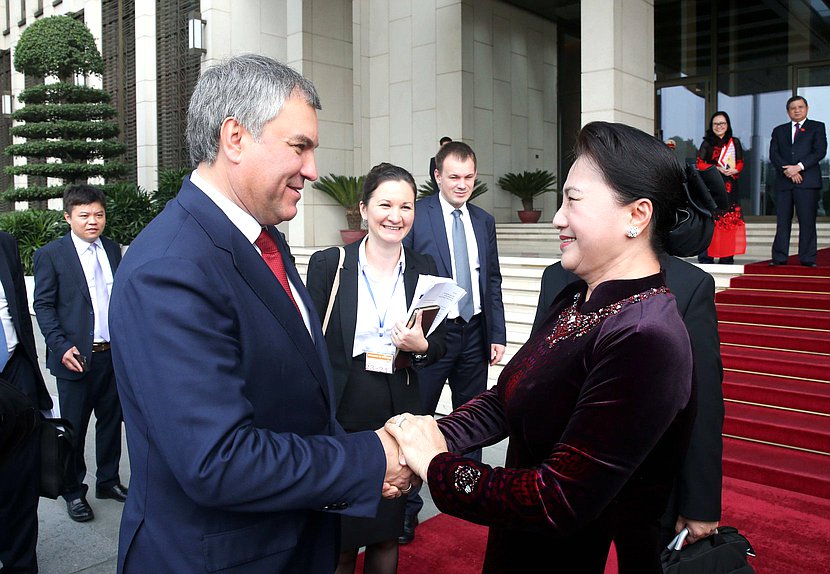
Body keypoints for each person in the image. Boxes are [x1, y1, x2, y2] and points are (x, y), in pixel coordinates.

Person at [108, 54, 412, 574]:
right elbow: (217, 460)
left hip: (292, 540)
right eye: (300, 147)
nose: (312, 171)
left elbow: (294, 402)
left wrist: (353, 462)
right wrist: (366, 459)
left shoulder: (262, 239)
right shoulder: (171, 267)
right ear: (235, 138)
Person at [386, 122, 696, 573]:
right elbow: (506, 398)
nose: (557, 217)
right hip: (518, 548)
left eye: (573, 200)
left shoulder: (646, 337)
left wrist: (436, 466)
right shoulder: (575, 298)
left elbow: (557, 498)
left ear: (637, 216)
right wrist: (434, 435)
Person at [307, 162, 447, 574]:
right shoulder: (330, 263)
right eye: (385, 204)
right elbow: (309, 338)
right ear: (365, 208)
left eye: (406, 206)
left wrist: (421, 346)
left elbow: (442, 342)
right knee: (342, 536)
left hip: (398, 409)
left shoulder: (425, 268)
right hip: (343, 408)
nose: (396, 215)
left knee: (387, 531)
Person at [532, 257, 723, 546]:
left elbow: (702, 400)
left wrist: (701, 502)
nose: (561, 219)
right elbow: (535, 375)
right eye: (565, 207)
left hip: (650, 481)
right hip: (566, 479)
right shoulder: (558, 277)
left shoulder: (689, 283)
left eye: (576, 207)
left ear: (637, 214)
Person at [401, 140, 506, 543]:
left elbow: (491, 280)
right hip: (432, 337)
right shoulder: (419, 215)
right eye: (454, 177)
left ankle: (468, 501)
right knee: (417, 421)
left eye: (468, 178)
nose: (462, 185)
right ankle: (407, 510)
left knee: (472, 421)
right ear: (437, 176)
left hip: (476, 334)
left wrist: (497, 333)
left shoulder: (483, 220)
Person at [33, 184, 127, 524]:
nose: (93, 222)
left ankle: (108, 481)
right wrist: (60, 346)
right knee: (73, 428)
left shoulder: (113, 250)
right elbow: (42, 305)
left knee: (110, 423)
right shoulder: (51, 255)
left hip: (112, 356)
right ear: (68, 217)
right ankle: (73, 491)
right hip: (75, 357)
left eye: (98, 215)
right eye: (84, 215)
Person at [0, 231, 53, 573]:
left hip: (15, 370)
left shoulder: (4, 243)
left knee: (20, 479)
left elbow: (19, 309)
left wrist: (34, 378)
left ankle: (20, 564)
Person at [769, 95, 827, 267]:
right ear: (788, 111)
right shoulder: (779, 130)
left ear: (806, 109)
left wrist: (799, 167)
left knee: (807, 221)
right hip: (784, 182)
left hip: (807, 182)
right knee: (782, 222)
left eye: (800, 107)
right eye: (793, 108)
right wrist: (788, 170)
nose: (797, 110)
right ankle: (779, 258)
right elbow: (774, 154)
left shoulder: (817, 127)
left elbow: (820, 151)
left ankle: (808, 259)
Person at [696, 111, 746, 264]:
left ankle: (726, 256)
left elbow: (740, 162)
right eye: (716, 124)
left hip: (729, 187)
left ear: (727, 125)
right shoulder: (707, 143)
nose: (719, 126)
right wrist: (715, 168)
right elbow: (699, 163)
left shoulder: (734, 142)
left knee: (728, 222)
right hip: (711, 186)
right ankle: (706, 256)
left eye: (722, 123)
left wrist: (736, 169)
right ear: (712, 126)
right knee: (710, 221)